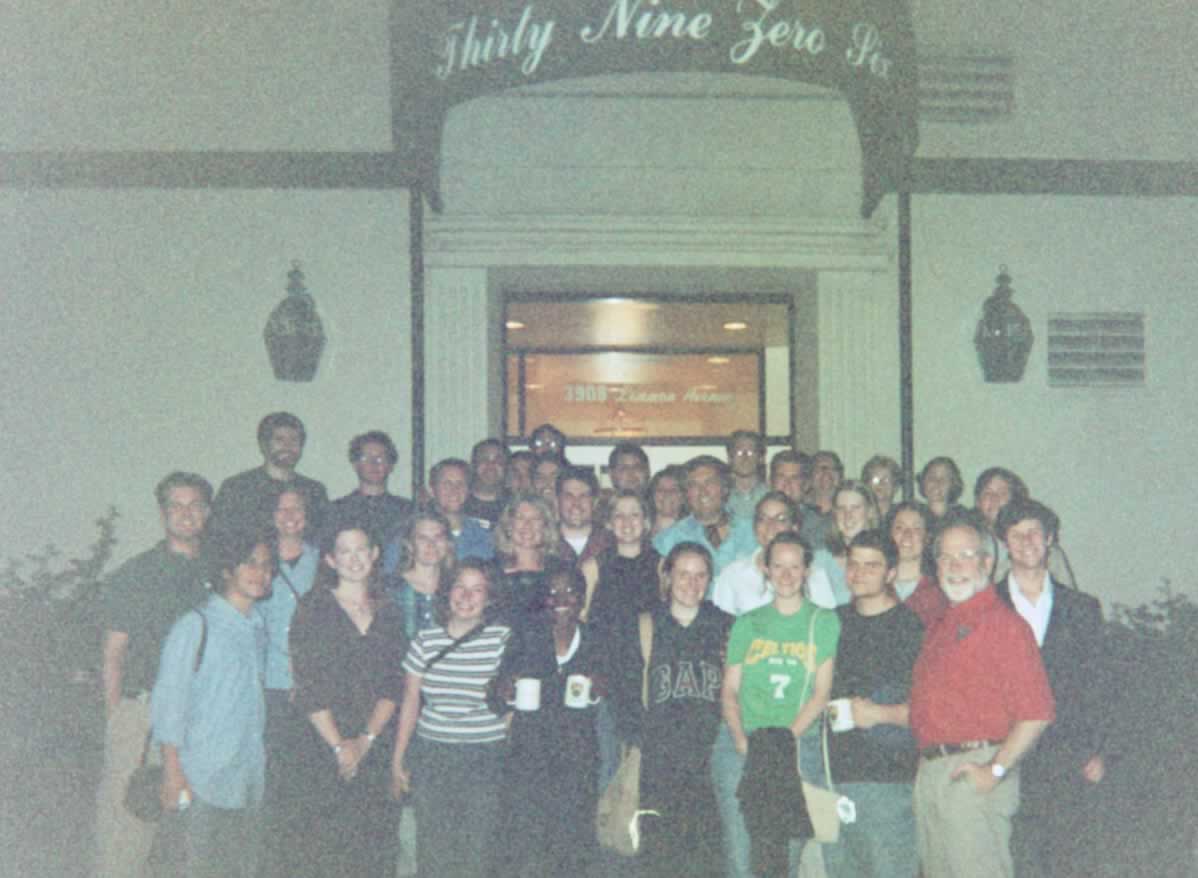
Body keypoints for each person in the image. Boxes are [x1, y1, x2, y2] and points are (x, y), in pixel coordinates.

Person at [909, 509, 1055, 878]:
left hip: (974, 773)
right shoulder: (942, 625)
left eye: (966, 555)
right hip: (932, 775)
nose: (954, 566)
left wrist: (996, 769)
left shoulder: (1003, 625)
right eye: (945, 556)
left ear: (988, 563)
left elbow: (1037, 713)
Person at [94, 472, 214, 878]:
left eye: (195, 504)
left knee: (191, 834)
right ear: (163, 514)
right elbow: (113, 654)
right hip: (143, 713)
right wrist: (118, 719)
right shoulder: (136, 574)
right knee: (127, 830)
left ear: (207, 511)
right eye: (176, 506)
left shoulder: (221, 572)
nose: (186, 514)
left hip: (202, 717)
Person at [146, 530, 273, 878]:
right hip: (201, 777)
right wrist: (172, 772)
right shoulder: (196, 625)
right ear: (227, 570)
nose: (260, 572)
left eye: (267, 565)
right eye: (250, 563)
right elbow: (169, 704)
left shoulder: (258, 627)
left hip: (247, 778)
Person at [714, 531, 839, 878]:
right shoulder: (747, 623)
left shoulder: (824, 621)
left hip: (796, 745)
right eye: (778, 566)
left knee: (785, 854)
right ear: (766, 570)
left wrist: (784, 740)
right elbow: (729, 691)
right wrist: (741, 739)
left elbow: (821, 692)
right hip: (743, 742)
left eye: (794, 567)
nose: (786, 575)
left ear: (806, 571)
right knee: (742, 855)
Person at [994, 499, 1106, 878]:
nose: (1027, 541)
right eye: (1016, 534)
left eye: (1035, 533)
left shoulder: (1083, 608)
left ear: (1051, 539)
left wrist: (1098, 750)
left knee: (1066, 862)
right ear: (1004, 543)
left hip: (1066, 758)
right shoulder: (984, 607)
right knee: (1011, 860)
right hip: (1004, 755)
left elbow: (1098, 684)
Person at [288, 523, 407, 878]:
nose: (354, 559)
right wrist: (341, 747)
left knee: (375, 844)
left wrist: (366, 741)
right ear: (330, 559)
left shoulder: (389, 610)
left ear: (374, 555)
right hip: (321, 745)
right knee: (326, 847)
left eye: (361, 549)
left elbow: (393, 683)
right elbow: (308, 683)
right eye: (344, 551)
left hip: (375, 744)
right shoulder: (313, 607)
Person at [613, 542, 732, 878]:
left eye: (700, 575)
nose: (691, 583)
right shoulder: (644, 627)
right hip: (659, 766)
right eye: (683, 574)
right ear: (667, 577)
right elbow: (624, 694)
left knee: (709, 858)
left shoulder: (726, 626)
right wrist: (641, 739)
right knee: (659, 859)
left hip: (711, 763)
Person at [391, 559, 512, 878]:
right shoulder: (426, 640)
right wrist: (399, 757)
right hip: (434, 755)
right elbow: (410, 700)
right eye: (460, 586)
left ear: (489, 597)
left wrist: (506, 729)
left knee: (478, 850)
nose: (467, 596)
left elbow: (516, 695)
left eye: (477, 590)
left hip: (485, 756)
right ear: (447, 592)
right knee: (433, 848)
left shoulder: (503, 640)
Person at [491, 567, 606, 878]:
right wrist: (506, 690)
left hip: (577, 763)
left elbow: (616, 690)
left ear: (582, 599)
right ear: (543, 601)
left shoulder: (595, 638)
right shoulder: (527, 635)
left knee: (572, 852)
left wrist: (598, 690)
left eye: (569, 592)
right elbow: (495, 696)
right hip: (529, 763)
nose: (561, 599)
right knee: (525, 851)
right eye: (553, 593)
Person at [822, 530, 924, 878]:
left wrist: (879, 714)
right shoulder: (830, 622)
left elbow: (930, 709)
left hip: (888, 780)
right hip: (832, 778)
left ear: (891, 573)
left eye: (871, 565)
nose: (859, 573)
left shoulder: (911, 628)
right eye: (853, 564)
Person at [256, 490, 321, 878]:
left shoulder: (323, 561)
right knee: (270, 783)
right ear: (271, 515)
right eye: (282, 508)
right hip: (267, 687)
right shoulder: (256, 560)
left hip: (311, 689)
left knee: (308, 784)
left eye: (298, 508)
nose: (290, 515)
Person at [211, 412, 328, 538]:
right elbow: (219, 537)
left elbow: (323, 539)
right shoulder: (237, 488)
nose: (287, 446)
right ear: (263, 445)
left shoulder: (315, 491)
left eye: (294, 440)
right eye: (279, 439)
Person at [653, 456, 758, 578]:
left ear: (725, 488)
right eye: (694, 485)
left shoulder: (753, 531)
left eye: (710, 483)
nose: (703, 491)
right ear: (686, 493)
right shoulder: (667, 540)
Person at [976, 467, 1078, 588]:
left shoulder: (1046, 551)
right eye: (987, 493)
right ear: (978, 502)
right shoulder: (970, 545)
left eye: (1002, 492)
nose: (994, 498)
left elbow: (1071, 599)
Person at [711, 491, 800, 616]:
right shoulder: (732, 575)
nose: (770, 526)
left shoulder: (812, 574)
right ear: (754, 527)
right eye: (763, 519)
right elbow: (720, 628)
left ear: (795, 528)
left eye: (781, 519)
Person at [330, 430, 414, 548]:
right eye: (366, 458)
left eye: (380, 458)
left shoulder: (408, 510)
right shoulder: (336, 510)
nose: (373, 463)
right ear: (355, 465)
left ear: (391, 466)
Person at [807, 480, 881, 608]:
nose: (848, 516)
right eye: (841, 509)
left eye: (855, 508)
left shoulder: (886, 558)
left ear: (870, 512)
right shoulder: (818, 561)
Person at [386, 509, 456, 639]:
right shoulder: (390, 588)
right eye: (423, 538)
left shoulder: (456, 587)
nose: (431, 544)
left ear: (448, 543)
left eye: (438, 537)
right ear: (409, 545)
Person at [887, 501, 949, 629]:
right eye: (899, 527)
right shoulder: (876, 586)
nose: (907, 535)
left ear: (927, 537)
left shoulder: (940, 592)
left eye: (916, 529)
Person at [418, 457, 494, 562]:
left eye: (460, 483)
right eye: (447, 484)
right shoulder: (412, 535)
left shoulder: (483, 537)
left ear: (469, 490)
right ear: (432, 490)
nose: (454, 490)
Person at [556, 465, 613, 565]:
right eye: (569, 496)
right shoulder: (543, 543)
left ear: (595, 502)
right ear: (557, 501)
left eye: (583, 496)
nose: (576, 504)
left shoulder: (611, 543)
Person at [463, 438, 509, 524]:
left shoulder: (514, 504)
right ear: (473, 465)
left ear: (506, 466)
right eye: (484, 459)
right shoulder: (459, 502)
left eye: (498, 460)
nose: (491, 465)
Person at [726, 429, 769, 520]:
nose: (745, 458)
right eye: (739, 453)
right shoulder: (720, 497)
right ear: (729, 458)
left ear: (761, 458)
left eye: (751, 452)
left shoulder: (770, 494)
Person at [805, 450, 844, 548]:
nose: (826, 473)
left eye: (833, 469)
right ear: (810, 476)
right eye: (820, 469)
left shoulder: (848, 511)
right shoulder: (799, 511)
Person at [916, 456, 964, 525]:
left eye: (944, 478)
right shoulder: (915, 515)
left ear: (953, 484)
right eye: (932, 477)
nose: (937, 482)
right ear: (923, 481)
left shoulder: (962, 518)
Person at [647, 464, 688, 538]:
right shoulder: (641, 530)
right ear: (652, 495)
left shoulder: (692, 533)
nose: (667, 494)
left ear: (683, 497)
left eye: (673, 490)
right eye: (660, 489)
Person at [860, 454, 902, 521]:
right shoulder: (859, 515)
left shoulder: (902, 515)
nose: (881, 483)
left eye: (886, 480)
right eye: (875, 479)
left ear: (895, 486)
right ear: (866, 484)